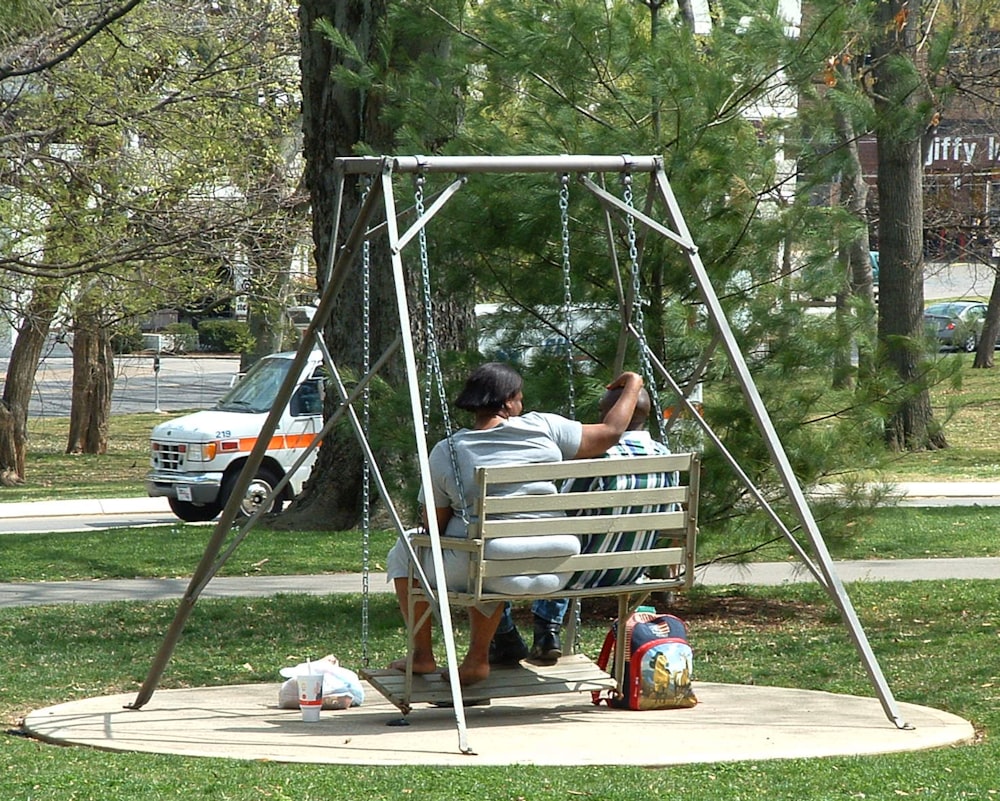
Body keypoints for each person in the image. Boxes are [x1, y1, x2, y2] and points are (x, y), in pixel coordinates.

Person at [384, 362, 645, 687]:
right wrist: (633, 383)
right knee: (486, 552)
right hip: (556, 566)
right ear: (507, 402)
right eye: (519, 398)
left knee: (408, 550)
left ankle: (425, 656)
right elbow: (610, 433)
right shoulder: (544, 428)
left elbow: (433, 526)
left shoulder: (447, 451)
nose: (522, 405)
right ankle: (476, 656)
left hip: (492, 565)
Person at [491, 385, 673, 666]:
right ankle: (546, 633)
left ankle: (508, 636)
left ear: (611, 414)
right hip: (631, 570)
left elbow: (562, 510)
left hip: (579, 574)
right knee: (569, 544)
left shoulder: (598, 456)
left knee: (496, 556)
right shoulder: (666, 457)